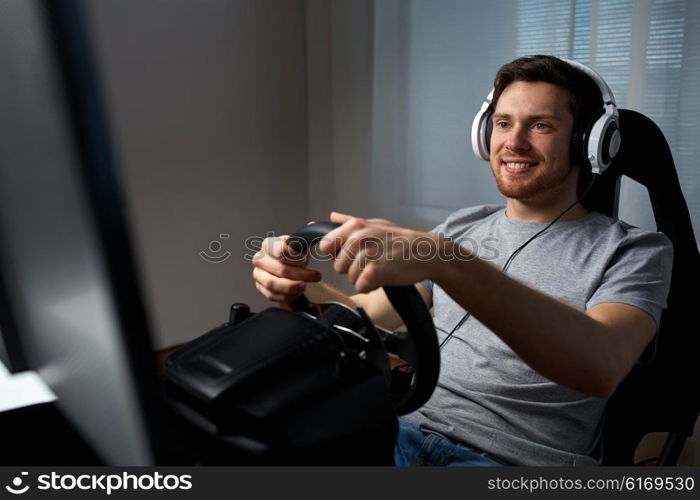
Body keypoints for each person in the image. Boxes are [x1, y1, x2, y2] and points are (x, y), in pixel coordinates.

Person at [251, 55, 673, 466]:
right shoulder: (463, 225)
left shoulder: (635, 251)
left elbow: (601, 366)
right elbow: (367, 316)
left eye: (541, 125)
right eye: (504, 123)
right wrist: (298, 285)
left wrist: (448, 261)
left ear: (588, 140)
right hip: (399, 430)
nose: (514, 142)